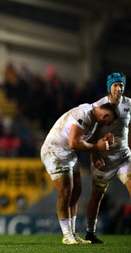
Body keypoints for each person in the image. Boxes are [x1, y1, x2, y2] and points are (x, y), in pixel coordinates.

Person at [40, 101, 119, 245]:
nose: (108, 124)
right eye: (109, 121)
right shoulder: (84, 114)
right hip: (55, 151)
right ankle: (67, 235)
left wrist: (96, 155)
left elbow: (88, 140)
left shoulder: (94, 119)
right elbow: (74, 143)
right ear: (105, 115)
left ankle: (73, 234)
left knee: (76, 191)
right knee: (65, 192)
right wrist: (97, 146)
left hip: (68, 154)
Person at [85, 72, 131, 243]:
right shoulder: (98, 107)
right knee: (97, 198)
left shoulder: (129, 104)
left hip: (124, 157)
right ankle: (90, 233)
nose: (119, 88)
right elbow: (89, 136)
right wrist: (94, 156)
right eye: (115, 85)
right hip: (103, 161)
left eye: (121, 85)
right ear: (109, 87)